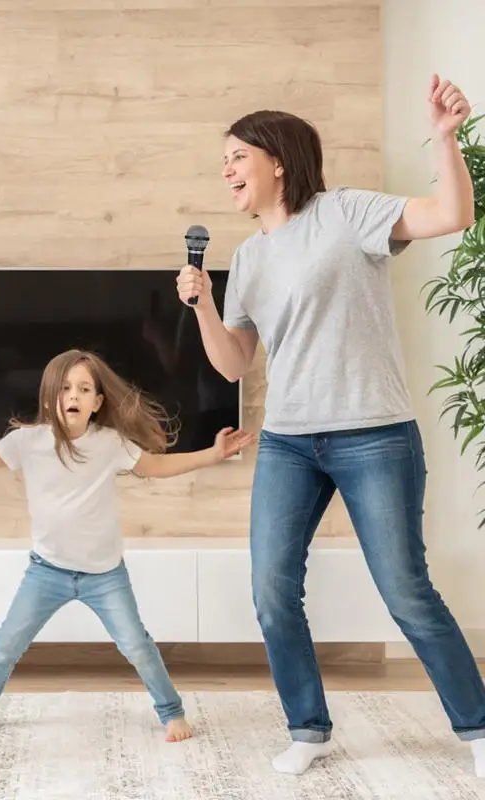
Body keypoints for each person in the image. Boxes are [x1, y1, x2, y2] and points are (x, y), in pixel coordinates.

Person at [175, 74, 485, 777]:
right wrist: (202, 306)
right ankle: (308, 726)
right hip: (289, 441)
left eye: (237, 157)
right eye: (222, 161)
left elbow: (450, 215)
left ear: (277, 160)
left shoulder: (345, 213)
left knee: (406, 589)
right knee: (270, 588)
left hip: (373, 432)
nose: (226, 170)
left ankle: (478, 726)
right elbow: (234, 366)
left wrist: (445, 138)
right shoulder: (249, 257)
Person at [0, 348, 254, 743]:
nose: (73, 396)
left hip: (105, 575)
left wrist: (212, 455)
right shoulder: (27, 442)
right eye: (64, 388)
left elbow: (157, 467)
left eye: (83, 389)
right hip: (46, 571)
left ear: (97, 402)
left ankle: (171, 712)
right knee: (6, 644)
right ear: (48, 398)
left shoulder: (110, 443)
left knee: (137, 646)